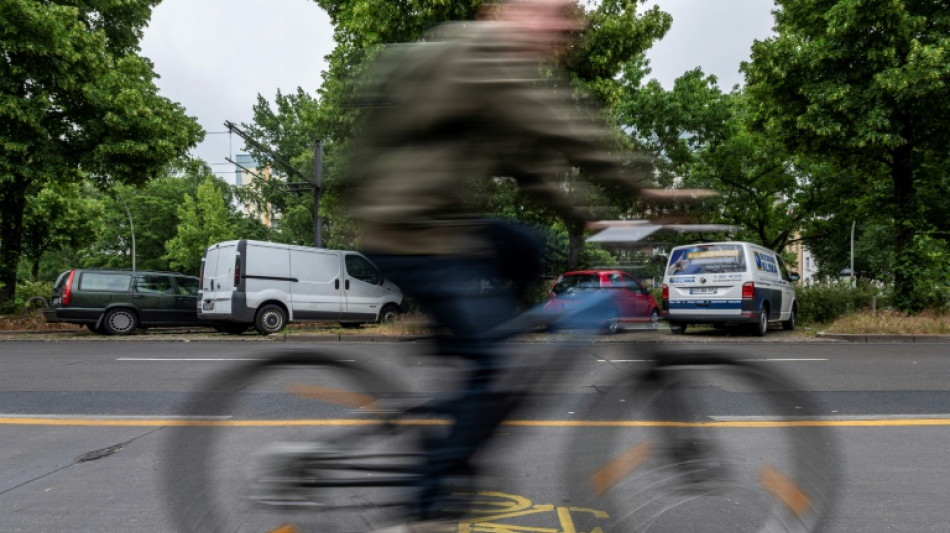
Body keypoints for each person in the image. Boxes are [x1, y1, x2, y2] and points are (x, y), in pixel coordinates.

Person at [347, 1, 678, 531]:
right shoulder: (479, 52)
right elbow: (565, 132)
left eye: (568, 17)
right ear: (503, 12)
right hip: (409, 230)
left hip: (441, 221)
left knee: (525, 246)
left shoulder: (493, 73)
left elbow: (533, 168)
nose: (566, 26)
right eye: (551, 12)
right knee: (494, 370)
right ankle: (427, 497)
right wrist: (643, 188)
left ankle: (467, 346)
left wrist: (592, 221)